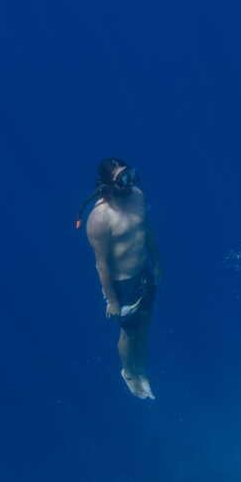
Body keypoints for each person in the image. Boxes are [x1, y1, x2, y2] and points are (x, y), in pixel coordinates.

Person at [76, 157, 161, 399]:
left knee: (144, 327)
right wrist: (112, 301)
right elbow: (101, 265)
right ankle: (129, 372)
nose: (130, 181)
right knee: (129, 333)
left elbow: (147, 231)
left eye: (130, 174)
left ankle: (141, 368)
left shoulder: (138, 196)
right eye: (123, 178)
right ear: (107, 184)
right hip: (124, 285)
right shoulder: (99, 219)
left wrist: (157, 264)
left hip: (145, 273)